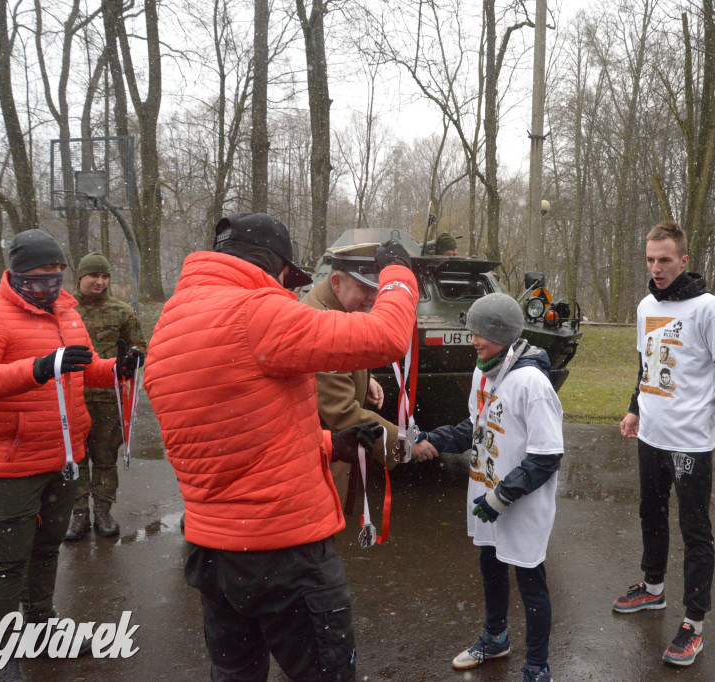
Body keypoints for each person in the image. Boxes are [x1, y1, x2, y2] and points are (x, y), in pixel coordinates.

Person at [143, 213, 419, 682]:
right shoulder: (255, 312)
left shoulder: (170, 323)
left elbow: (232, 436)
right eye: (289, 279)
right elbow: (386, 337)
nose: (291, 291)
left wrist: (330, 443)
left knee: (235, 674)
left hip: (214, 551)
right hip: (283, 553)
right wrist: (398, 275)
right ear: (271, 266)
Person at [0, 229, 143, 679]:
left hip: (62, 456)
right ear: (15, 273)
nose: (50, 285)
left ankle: (41, 628)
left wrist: (117, 369)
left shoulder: (68, 314)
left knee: (47, 550)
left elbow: (83, 367)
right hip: (8, 462)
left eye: (56, 275)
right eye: (39, 276)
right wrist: (36, 369)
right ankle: (4, 651)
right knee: (9, 561)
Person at [613, 221, 715, 668]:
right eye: (651, 259)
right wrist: (635, 407)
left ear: (684, 260)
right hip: (650, 435)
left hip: (690, 442)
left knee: (695, 530)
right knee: (649, 513)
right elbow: (646, 366)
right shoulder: (644, 307)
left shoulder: (709, 309)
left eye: (665, 259)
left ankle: (694, 623)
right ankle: (652, 589)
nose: (656, 268)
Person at [411, 293, 563, 682]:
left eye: (482, 334)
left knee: (531, 581)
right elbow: (474, 430)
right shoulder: (483, 371)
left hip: (519, 503)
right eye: (472, 331)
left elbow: (546, 456)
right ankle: (495, 638)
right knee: (491, 565)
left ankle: (537, 667)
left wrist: (503, 495)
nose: (474, 340)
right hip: (485, 497)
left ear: (505, 335)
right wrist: (434, 438)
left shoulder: (532, 383)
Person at [300, 244, 422, 518]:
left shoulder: (332, 310)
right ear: (336, 282)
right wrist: (404, 443)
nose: (373, 298)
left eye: (376, 288)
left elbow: (342, 359)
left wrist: (367, 380)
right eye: (364, 288)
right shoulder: (320, 323)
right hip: (317, 466)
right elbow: (343, 414)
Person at [66, 253, 145, 540]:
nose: (99, 282)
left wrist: (135, 356)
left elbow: (140, 346)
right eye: (93, 276)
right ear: (80, 277)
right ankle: (77, 514)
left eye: (105, 277)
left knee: (105, 458)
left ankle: (102, 511)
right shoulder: (65, 311)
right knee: (75, 459)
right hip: (72, 398)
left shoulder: (122, 312)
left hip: (109, 400)